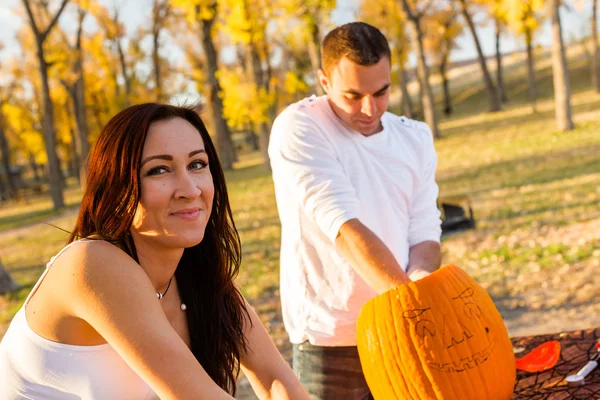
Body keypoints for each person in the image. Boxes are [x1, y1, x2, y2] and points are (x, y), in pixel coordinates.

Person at [0, 103, 310, 400]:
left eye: (197, 164)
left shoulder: (197, 280)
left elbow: (276, 380)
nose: (190, 189)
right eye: (159, 170)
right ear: (117, 188)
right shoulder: (93, 264)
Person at [268, 22, 442, 399]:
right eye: (353, 95)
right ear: (324, 81)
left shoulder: (415, 137)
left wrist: (422, 286)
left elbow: (425, 230)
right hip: (332, 336)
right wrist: (411, 308)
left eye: (382, 92)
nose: (370, 108)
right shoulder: (300, 128)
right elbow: (343, 228)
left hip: (402, 331)